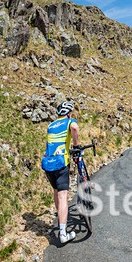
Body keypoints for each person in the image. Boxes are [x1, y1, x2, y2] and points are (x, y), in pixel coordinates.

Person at [41, 101, 80, 244]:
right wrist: (76, 145)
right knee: (63, 196)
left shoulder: (50, 125)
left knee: (56, 191)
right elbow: (75, 129)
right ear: (69, 113)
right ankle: (63, 234)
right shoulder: (70, 121)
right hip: (60, 161)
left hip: (47, 163)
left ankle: (60, 222)